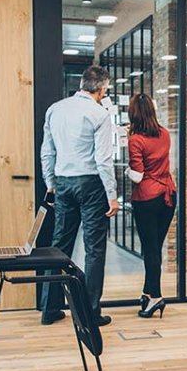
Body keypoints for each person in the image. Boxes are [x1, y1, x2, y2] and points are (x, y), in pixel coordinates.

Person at [40, 65, 119, 327]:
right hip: (92, 184)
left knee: (59, 246)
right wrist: (112, 195)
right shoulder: (99, 113)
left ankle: (49, 309)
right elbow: (104, 160)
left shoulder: (56, 109)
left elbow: (47, 152)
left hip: (63, 182)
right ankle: (90, 313)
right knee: (94, 249)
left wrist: (50, 182)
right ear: (101, 89)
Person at [124, 93, 176, 319]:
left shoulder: (135, 139)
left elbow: (137, 175)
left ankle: (155, 296)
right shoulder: (164, 133)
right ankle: (148, 293)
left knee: (151, 249)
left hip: (147, 198)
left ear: (133, 113)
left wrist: (125, 170)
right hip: (168, 195)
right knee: (155, 248)